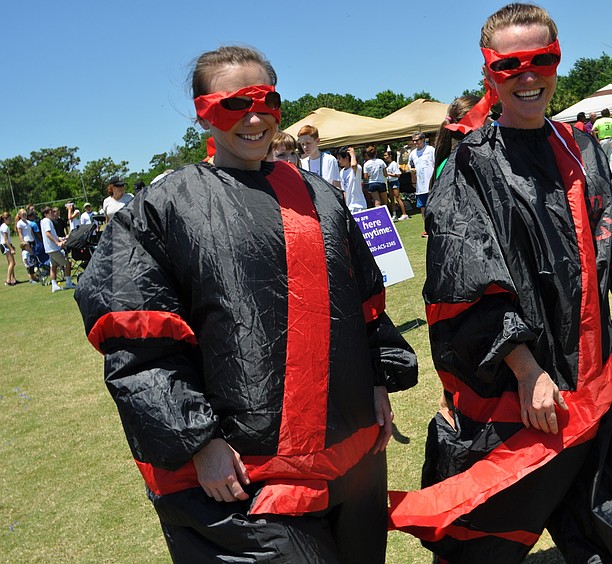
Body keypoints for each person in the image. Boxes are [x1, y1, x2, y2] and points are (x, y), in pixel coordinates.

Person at [75, 45, 416, 563]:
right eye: (234, 105)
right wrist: (198, 442)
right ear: (203, 112)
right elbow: (139, 345)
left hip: (351, 458)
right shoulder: (166, 207)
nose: (254, 118)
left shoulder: (320, 194)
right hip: (243, 477)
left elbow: (364, 304)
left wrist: (378, 382)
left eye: (266, 101)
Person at [389, 5, 612, 562]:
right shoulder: (471, 165)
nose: (528, 76)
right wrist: (528, 371)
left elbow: (611, 244)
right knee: (481, 543)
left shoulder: (584, 147)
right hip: (518, 397)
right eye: (510, 65)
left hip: (597, 384)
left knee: (607, 533)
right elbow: (466, 280)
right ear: (488, 73)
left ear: (557, 61)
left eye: (541, 60)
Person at [407, 132, 435, 237]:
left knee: (433, 207)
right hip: (420, 186)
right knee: (422, 208)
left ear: (423, 139)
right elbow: (410, 166)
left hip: (431, 185)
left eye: (417, 140)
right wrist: (412, 173)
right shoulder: (413, 153)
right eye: (413, 140)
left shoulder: (431, 150)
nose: (415, 142)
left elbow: (437, 164)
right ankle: (427, 229)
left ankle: (436, 227)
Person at [40, 206, 74, 292]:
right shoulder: (47, 221)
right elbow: (48, 233)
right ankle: (68, 282)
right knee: (67, 263)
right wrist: (57, 242)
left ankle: (54, 285)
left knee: (54, 266)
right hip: (53, 248)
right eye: (50, 212)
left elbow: (53, 234)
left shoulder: (44, 221)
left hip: (50, 248)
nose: (52, 213)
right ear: (46, 214)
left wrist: (60, 239)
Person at [336, 146, 368, 213]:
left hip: (358, 205)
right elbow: (343, 190)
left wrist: (352, 154)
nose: (338, 161)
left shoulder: (357, 168)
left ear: (347, 158)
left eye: (340, 158)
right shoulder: (341, 172)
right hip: (349, 206)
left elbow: (353, 165)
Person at [592, 108, 612, 177]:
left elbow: (592, 130)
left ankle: (605, 174)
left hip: (602, 140)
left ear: (602, 115)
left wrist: (596, 139)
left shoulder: (599, 121)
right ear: (609, 114)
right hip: (611, 139)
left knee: (603, 157)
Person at [384, 150, 408, 221]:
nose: (384, 157)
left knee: (397, 197)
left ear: (390, 156)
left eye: (386, 155)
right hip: (389, 182)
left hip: (394, 182)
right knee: (391, 198)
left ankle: (404, 214)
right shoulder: (388, 164)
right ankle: (394, 214)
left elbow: (398, 174)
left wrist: (389, 174)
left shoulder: (394, 163)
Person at [1, 212, 17, 286]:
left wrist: (11, 245)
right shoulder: (4, 227)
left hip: (6, 245)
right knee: (12, 263)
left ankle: (13, 279)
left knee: (11, 263)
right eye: (9, 219)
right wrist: (11, 248)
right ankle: (8, 280)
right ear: (5, 219)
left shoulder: (4, 226)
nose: (11, 220)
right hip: (5, 245)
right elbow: (6, 240)